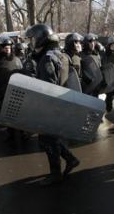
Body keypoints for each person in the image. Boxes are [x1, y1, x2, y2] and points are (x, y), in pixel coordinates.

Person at [25, 24, 80, 186]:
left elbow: (48, 87)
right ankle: (71, 159)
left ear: (41, 39)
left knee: (47, 141)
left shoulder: (47, 59)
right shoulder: (60, 55)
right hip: (62, 104)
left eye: (33, 38)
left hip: (51, 106)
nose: (31, 42)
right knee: (52, 139)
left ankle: (55, 174)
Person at [0, 36, 23, 138]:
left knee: (18, 114)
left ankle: (22, 132)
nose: (7, 49)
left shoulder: (16, 60)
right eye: (4, 47)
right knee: (6, 116)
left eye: (9, 47)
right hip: (2, 93)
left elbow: (23, 74)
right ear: (0, 48)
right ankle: (10, 133)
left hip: (16, 91)